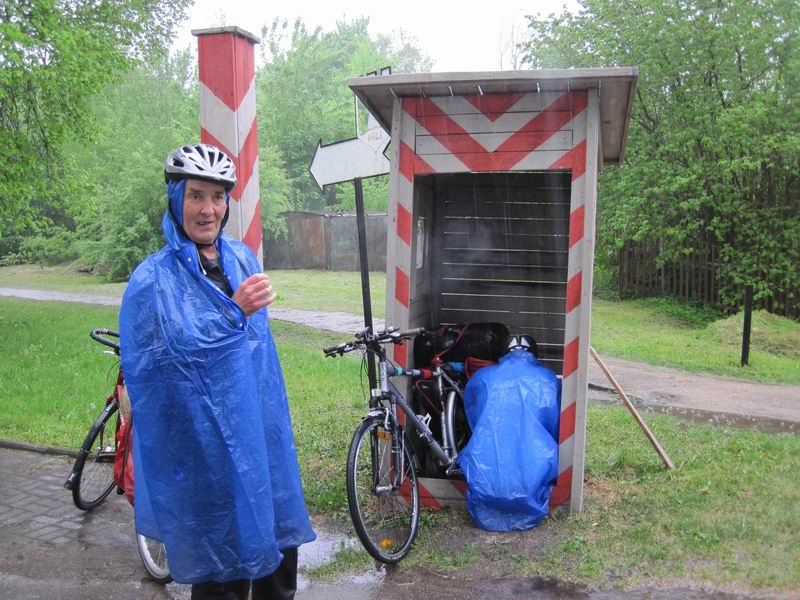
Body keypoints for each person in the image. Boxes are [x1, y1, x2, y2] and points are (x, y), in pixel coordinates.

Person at [119, 143, 315, 599]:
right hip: (203, 449)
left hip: (258, 435)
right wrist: (233, 314)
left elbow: (258, 357)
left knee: (277, 552)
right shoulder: (153, 279)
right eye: (196, 196)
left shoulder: (241, 258)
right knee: (222, 567)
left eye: (218, 197)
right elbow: (160, 367)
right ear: (175, 199)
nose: (208, 209)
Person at [456, 334, 561, 531]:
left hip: (484, 484)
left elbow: (473, 418)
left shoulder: (483, 377)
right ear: (535, 354)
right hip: (531, 480)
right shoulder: (549, 380)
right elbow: (555, 427)